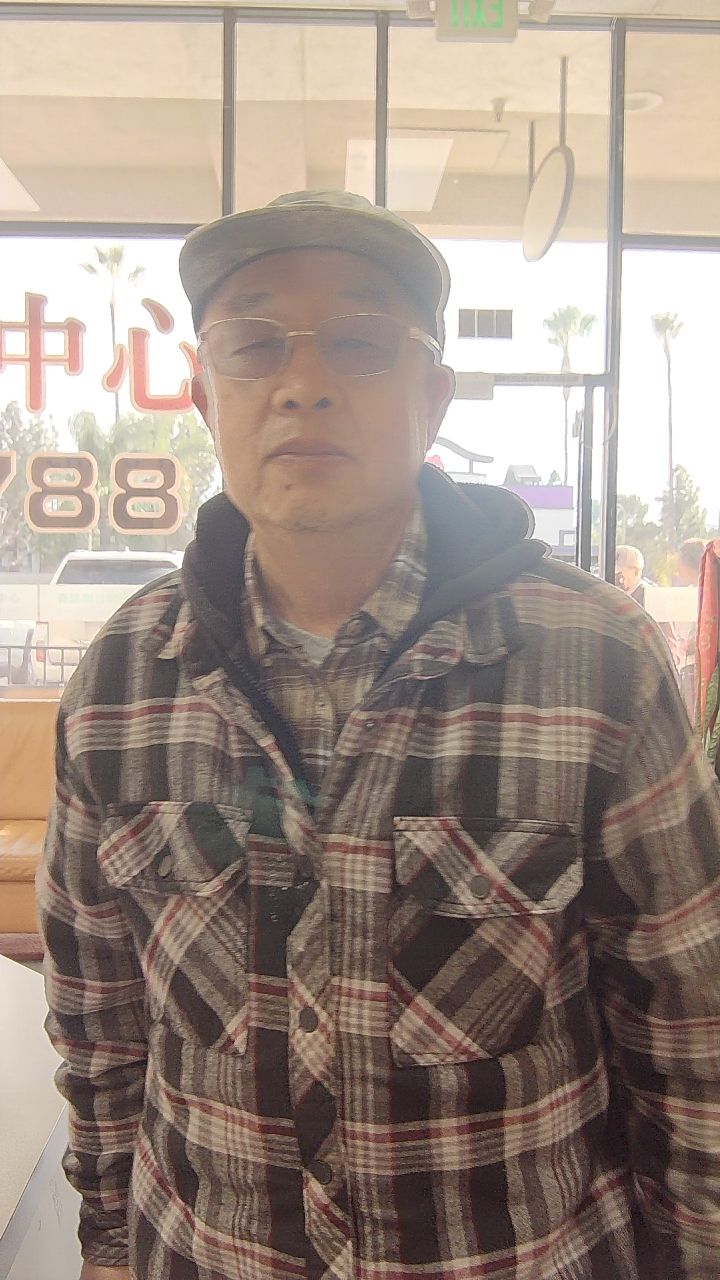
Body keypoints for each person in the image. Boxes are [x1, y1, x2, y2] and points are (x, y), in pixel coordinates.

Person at [39, 191, 720, 1280]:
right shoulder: (123, 682)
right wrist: (109, 1244)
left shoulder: (596, 664)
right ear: (204, 393)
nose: (303, 381)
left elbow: (690, 1031)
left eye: (360, 341)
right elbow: (100, 1014)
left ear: (433, 396)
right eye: (254, 343)